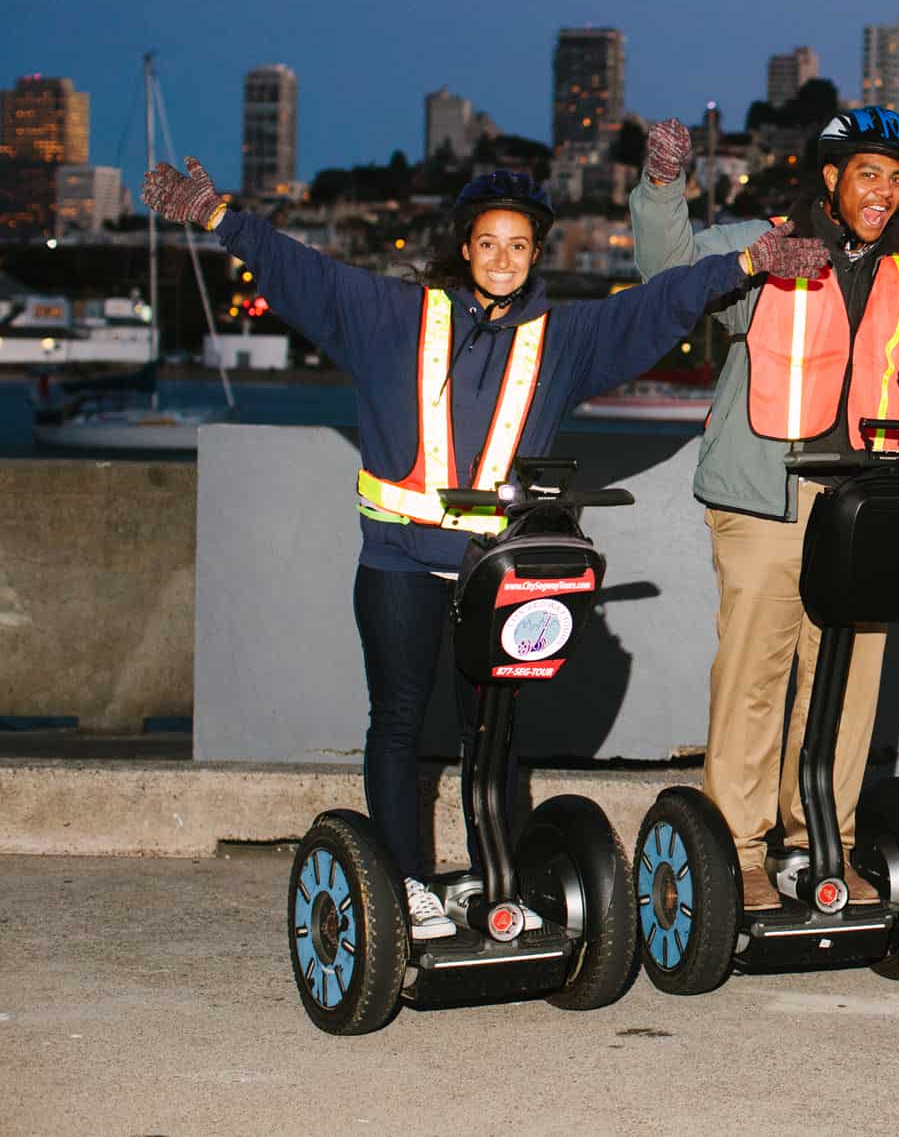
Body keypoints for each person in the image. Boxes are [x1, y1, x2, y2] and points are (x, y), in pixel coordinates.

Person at [142, 157, 827, 937]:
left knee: (493, 733)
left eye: (519, 245)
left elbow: (651, 307)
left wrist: (745, 262)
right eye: (489, 243)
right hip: (398, 563)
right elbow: (303, 273)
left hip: (495, 573)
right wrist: (216, 216)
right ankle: (406, 884)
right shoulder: (389, 316)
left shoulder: (562, 339)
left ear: (537, 253)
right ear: (464, 248)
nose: (503, 258)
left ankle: (491, 875)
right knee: (398, 721)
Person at [628, 106, 899, 911]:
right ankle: (741, 850)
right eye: (867, 174)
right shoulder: (769, 242)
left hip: (862, 504)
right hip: (764, 497)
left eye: (894, 180)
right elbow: (668, 269)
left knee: (849, 679)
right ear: (831, 178)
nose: (882, 193)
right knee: (757, 673)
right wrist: (662, 186)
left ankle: (825, 838)